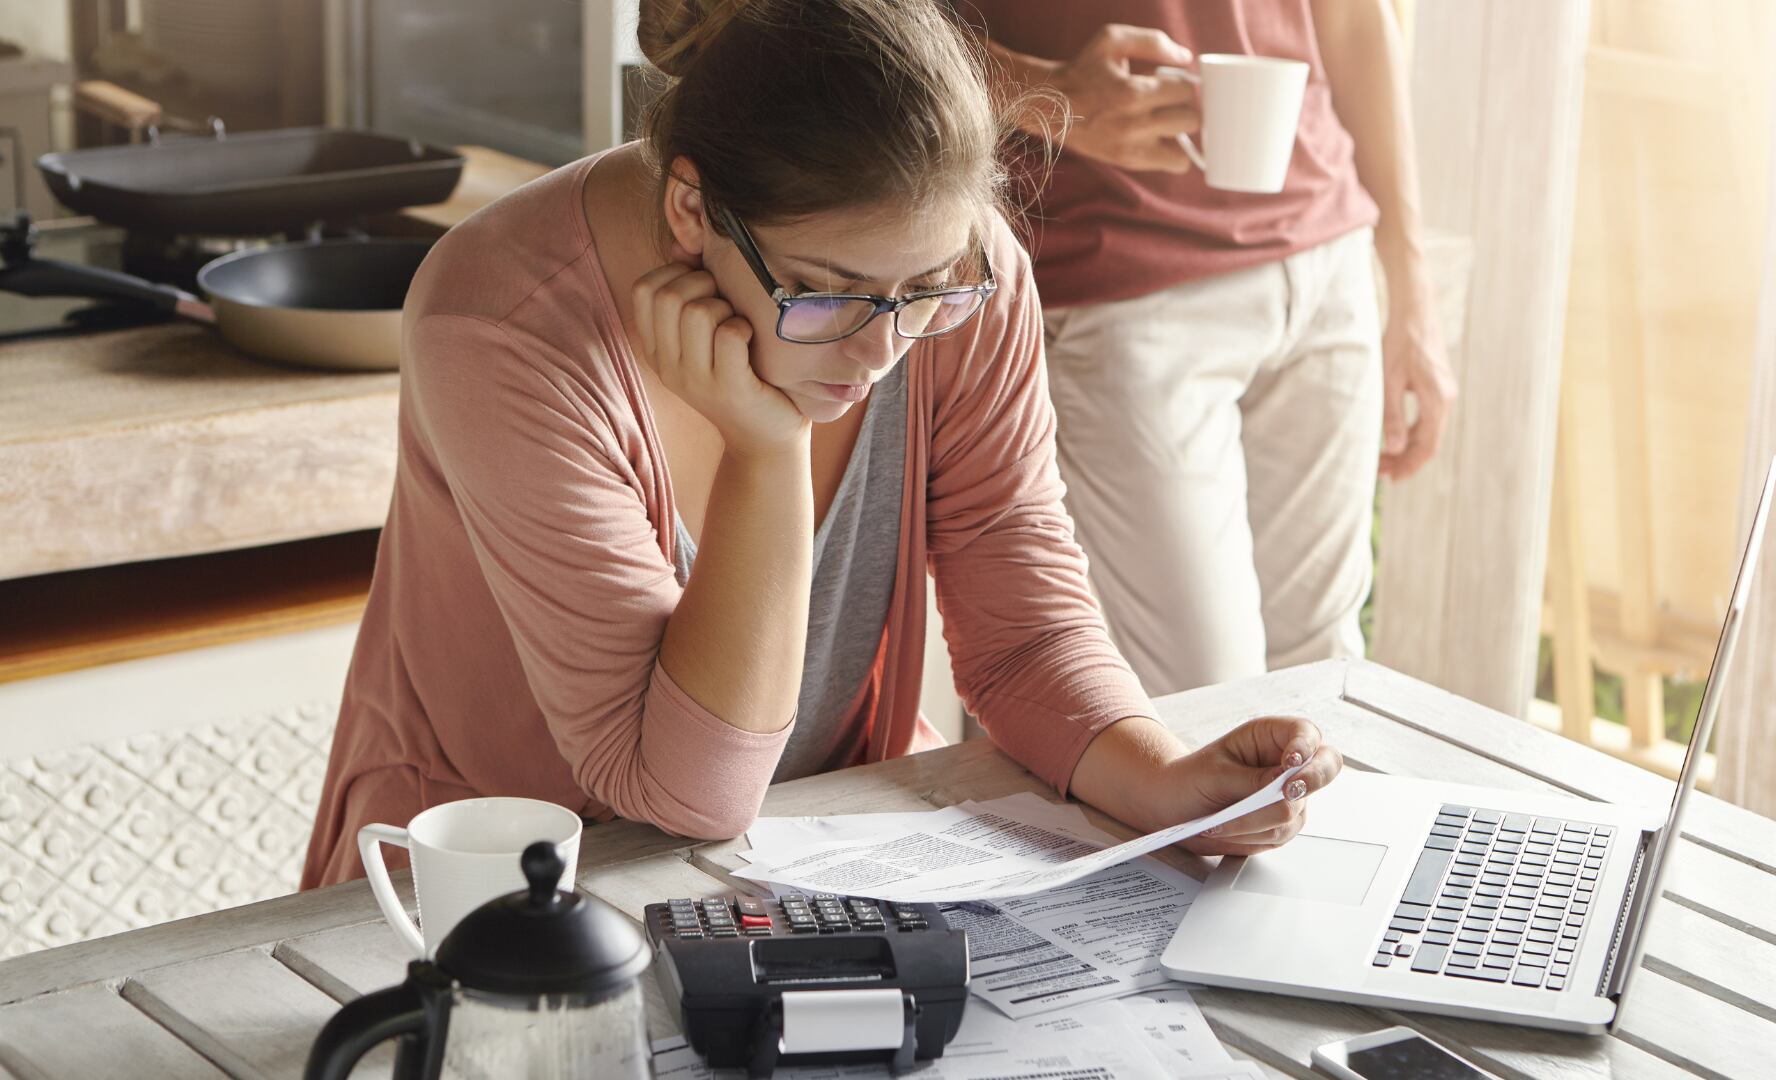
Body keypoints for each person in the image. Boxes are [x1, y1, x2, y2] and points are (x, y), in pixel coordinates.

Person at [300, 0, 1341, 889]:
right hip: (486, 903)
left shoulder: (966, 281)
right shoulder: (503, 325)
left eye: (926, 290)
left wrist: (1164, 780)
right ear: (691, 212)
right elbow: (683, 793)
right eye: (829, 294)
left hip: (803, 866)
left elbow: (1021, 632)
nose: (885, 349)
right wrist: (767, 447)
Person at [962, 2, 1455, 696]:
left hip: (1325, 261)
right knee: (1208, 699)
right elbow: (860, 20)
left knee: (1328, 674)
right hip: (1125, 284)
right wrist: (1049, 94)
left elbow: (1351, 17)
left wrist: (1410, 281)